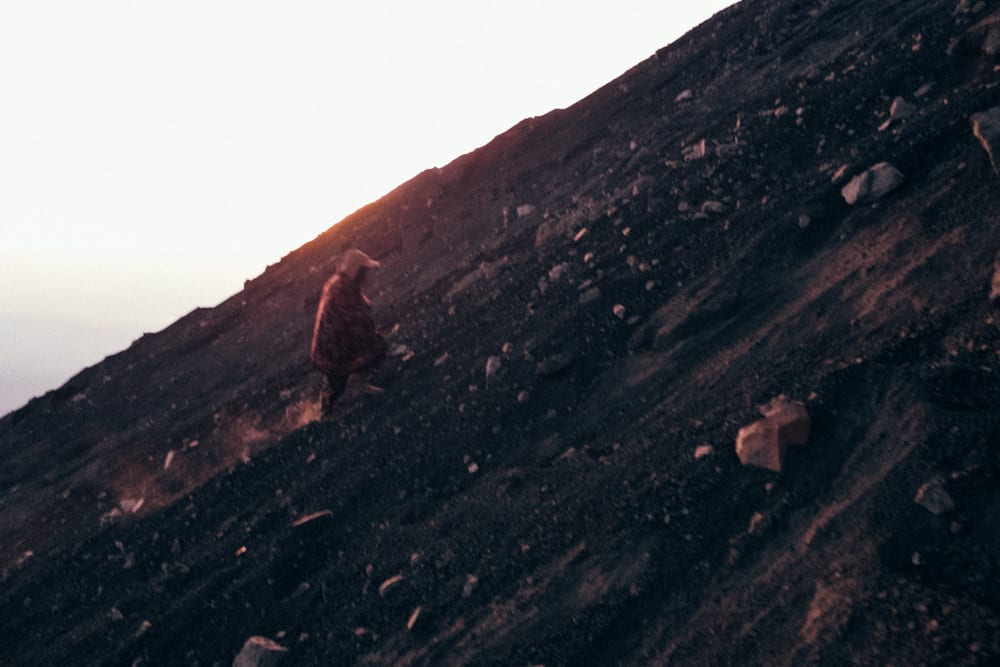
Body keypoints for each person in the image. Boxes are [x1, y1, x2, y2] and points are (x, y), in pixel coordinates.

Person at [310, 248, 387, 416]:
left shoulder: (339, 282)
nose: (367, 275)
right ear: (358, 271)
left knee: (335, 384)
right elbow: (354, 321)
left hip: (326, 348)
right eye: (365, 271)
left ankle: (319, 411)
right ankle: (359, 384)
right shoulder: (343, 289)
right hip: (334, 348)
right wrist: (372, 335)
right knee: (378, 346)